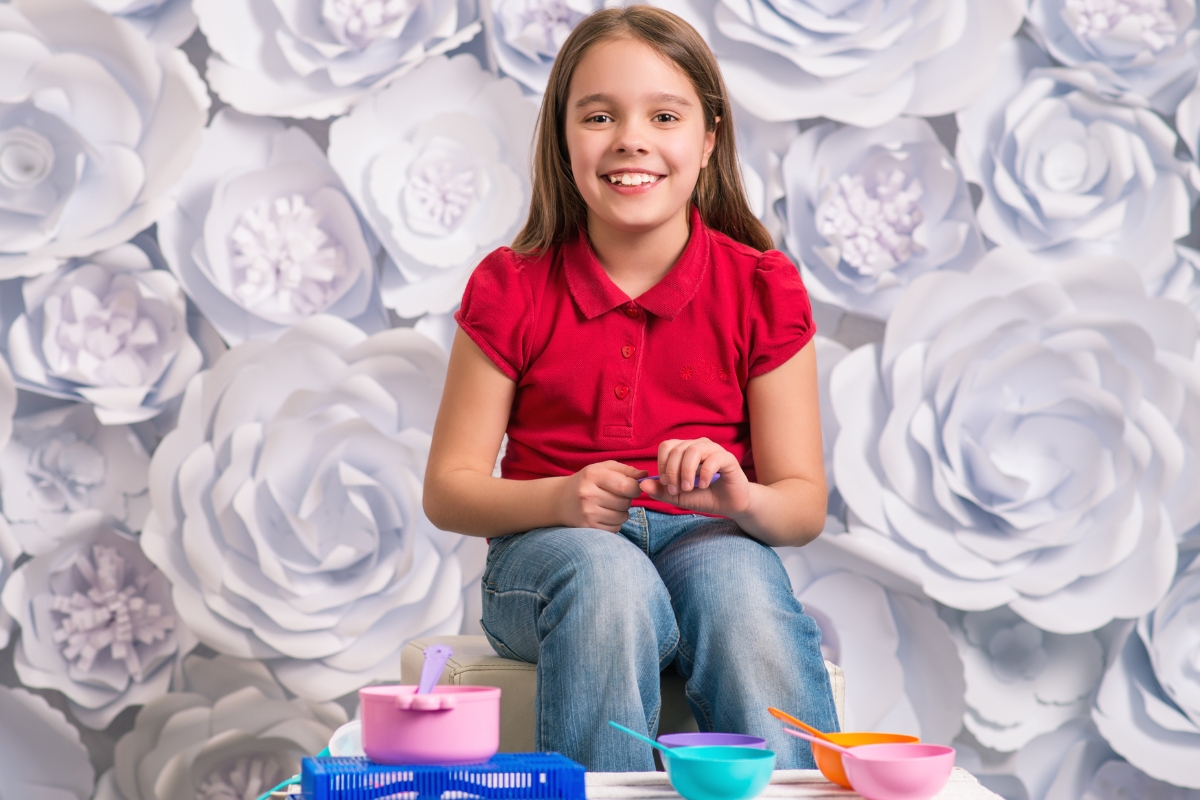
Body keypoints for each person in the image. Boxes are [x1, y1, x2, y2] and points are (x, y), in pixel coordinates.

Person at [422, 5, 839, 772]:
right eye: (599, 116)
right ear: (562, 138)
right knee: (609, 578)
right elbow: (448, 490)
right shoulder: (511, 286)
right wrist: (559, 500)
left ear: (708, 138)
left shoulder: (762, 287)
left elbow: (801, 506)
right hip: (546, 560)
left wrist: (740, 497)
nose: (631, 139)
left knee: (742, 594)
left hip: (708, 540)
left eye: (665, 115)